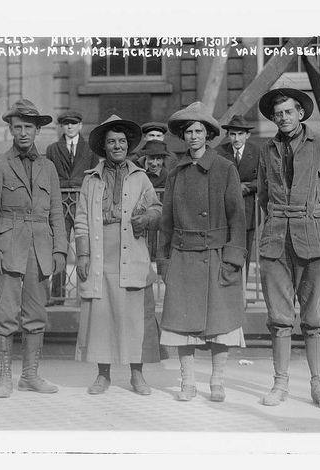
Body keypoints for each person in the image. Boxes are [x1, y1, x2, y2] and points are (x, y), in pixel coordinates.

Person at [257, 88, 320, 410]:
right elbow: (262, 195)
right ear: (273, 118)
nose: (283, 118)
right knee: (279, 318)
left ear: (300, 114)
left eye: (288, 112)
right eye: (278, 113)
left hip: (316, 243)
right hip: (275, 243)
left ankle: (319, 387)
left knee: (314, 318)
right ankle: (279, 384)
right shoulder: (266, 149)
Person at [159, 102, 247, 402]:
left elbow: (237, 216)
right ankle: (187, 382)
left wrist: (234, 257)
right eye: (188, 132)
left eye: (199, 131)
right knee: (181, 325)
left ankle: (217, 382)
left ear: (208, 135)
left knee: (219, 325)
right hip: (183, 257)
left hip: (217, 255)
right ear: (183, 138)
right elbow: (167, 222)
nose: (193, 136)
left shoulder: (225, 169)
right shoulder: (175, 174)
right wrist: (165, 262)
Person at [0, 99, 68, 399]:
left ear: (38, 129)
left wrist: (60, 251)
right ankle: (5, 377)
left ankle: (30, 375)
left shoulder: (49, 168)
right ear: (10, 130)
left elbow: (57, 211)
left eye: (28, 127)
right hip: (8, 248)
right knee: (5, 314)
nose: (22, 133)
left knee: (36, 313)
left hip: (40, 248)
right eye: (17, 127)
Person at [74, 115, 162, 395]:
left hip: (132, 250)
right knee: (102, 316)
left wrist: (147, 218)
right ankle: (103, 375)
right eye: (111, 141)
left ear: (129, 145)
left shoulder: (140, 177)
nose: (117, 146)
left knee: (135, 317)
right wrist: (84, 254)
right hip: (101, 254)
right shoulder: (91, 180)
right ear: (104, 146)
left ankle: (137, 375)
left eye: (122, 141)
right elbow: (81, 220)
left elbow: (157, 208)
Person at [45, 110, 100, 306]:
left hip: (82, 201)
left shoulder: (91, 149)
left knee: (86, 246)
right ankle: (57, 295)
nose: (69, 127)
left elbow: (94, 176)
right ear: (62, 126)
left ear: (80, 126)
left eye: (73, 123)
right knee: (59, 246)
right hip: (60, 202)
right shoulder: (52, 149)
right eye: (66, 124)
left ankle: (88, 291)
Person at [215, 115, 259, 280]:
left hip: (248, 212)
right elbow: (215, 179)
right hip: (225, 212)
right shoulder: (219, 152)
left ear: (247, 135)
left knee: (244, 253)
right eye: (233, 134)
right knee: (225, 253)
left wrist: (247, 188)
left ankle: (242, 296)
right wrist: (235, 187)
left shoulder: (256, 152)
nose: (236, 138)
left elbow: (263, 178)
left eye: (240, 134)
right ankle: (225, 291)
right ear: (227, 135)